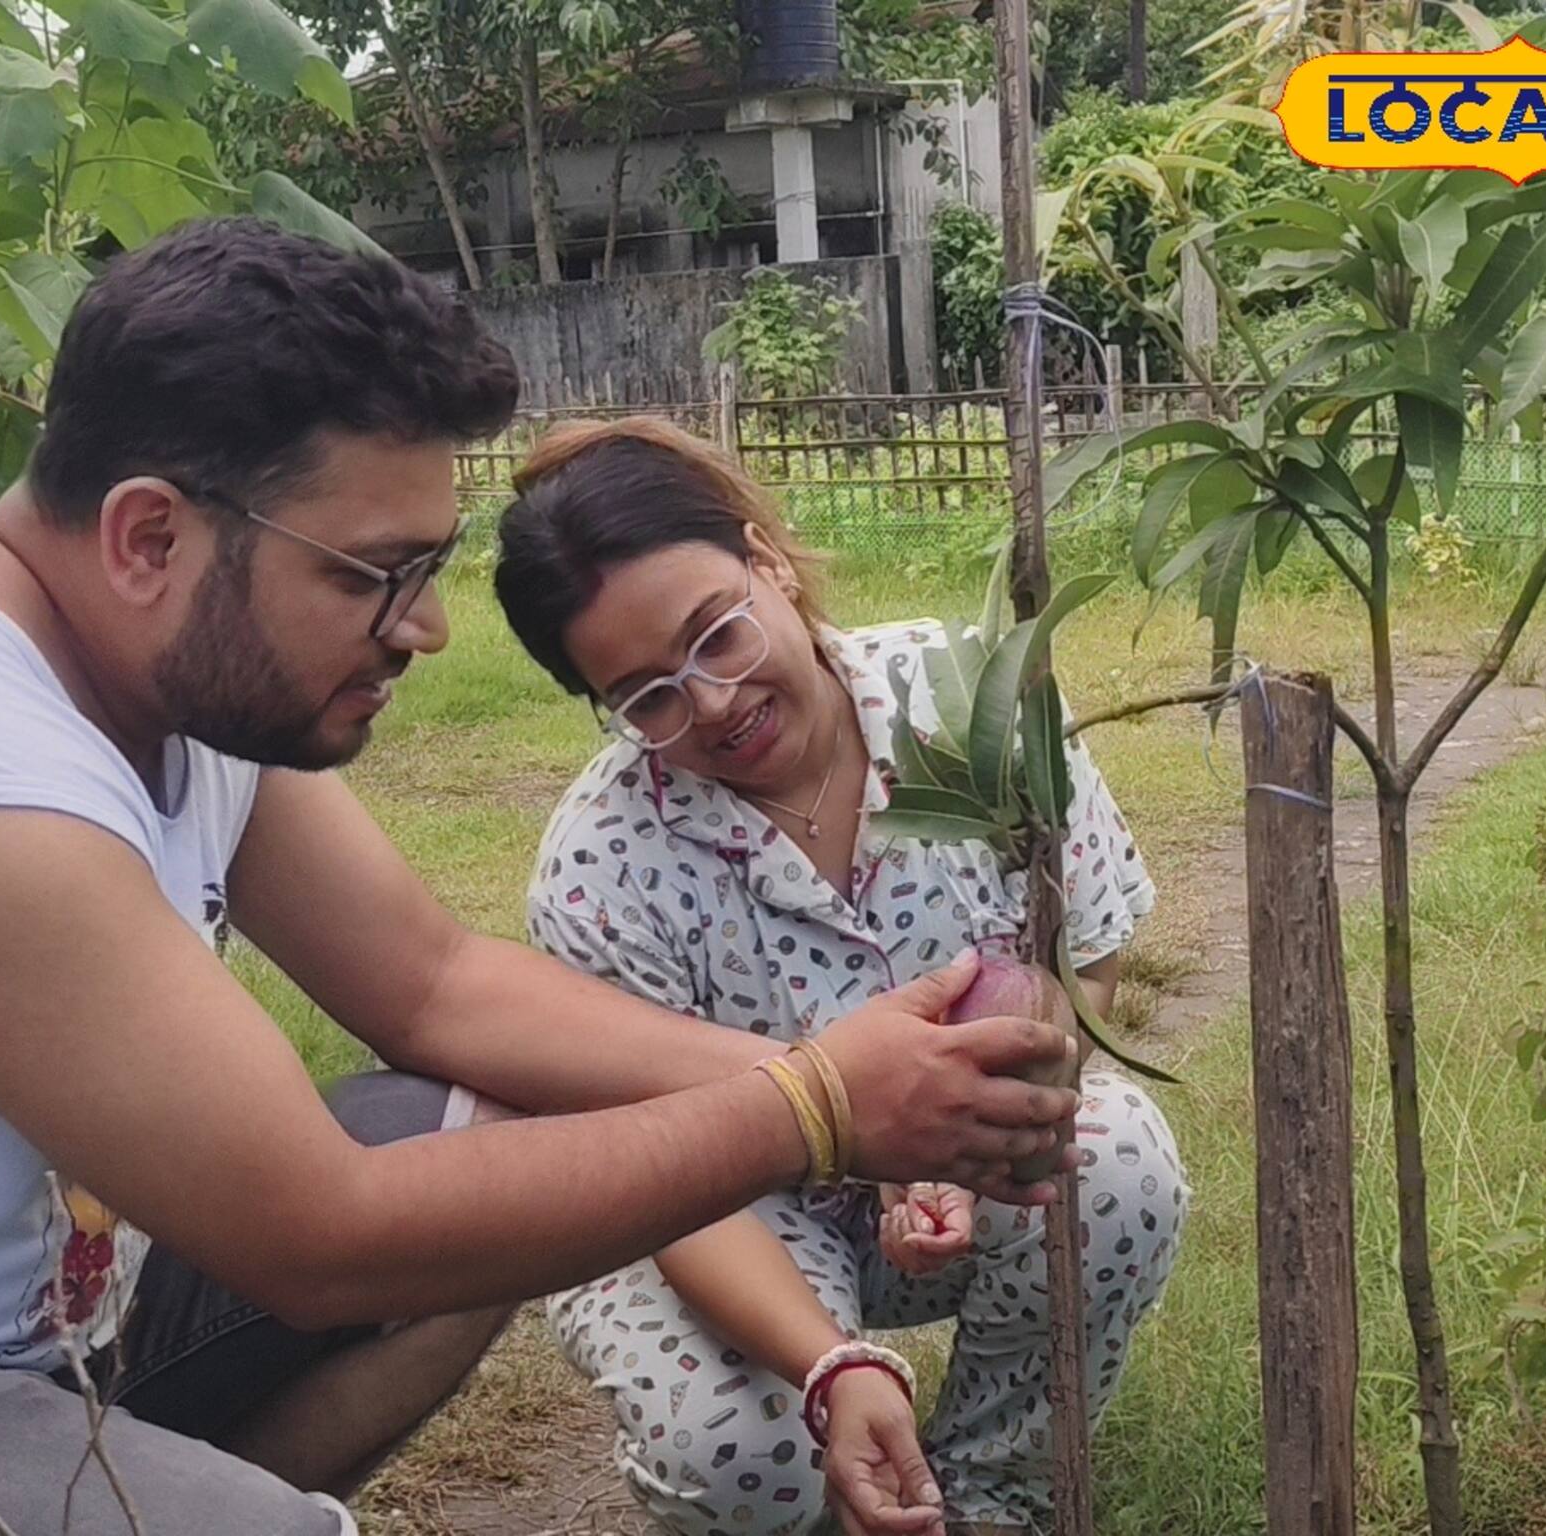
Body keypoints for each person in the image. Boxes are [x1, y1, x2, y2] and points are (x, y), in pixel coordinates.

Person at [0, 218, 1085, 1536]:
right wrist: (815, 1110)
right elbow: (316, 1236)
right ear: (150, 538)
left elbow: (434, 986)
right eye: (379, 577)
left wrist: (841, 1070)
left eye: (431, 570)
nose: (428, 630)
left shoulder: (145, 668)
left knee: (493, 1131)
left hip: (55, 1320)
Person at [493, 418, 1187, 1536]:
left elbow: (1084, 963)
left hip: (945, 1183)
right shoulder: (599, 866)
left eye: (715, 633)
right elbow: (657, 1173)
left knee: (1119, 1165)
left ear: (765, 558)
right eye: (646, 695)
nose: (709, 702)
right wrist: (831, 1368)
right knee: (741, 1457)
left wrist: (972, 1145)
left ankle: (986, 1495)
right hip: (722, 1208)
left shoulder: (970, 704)